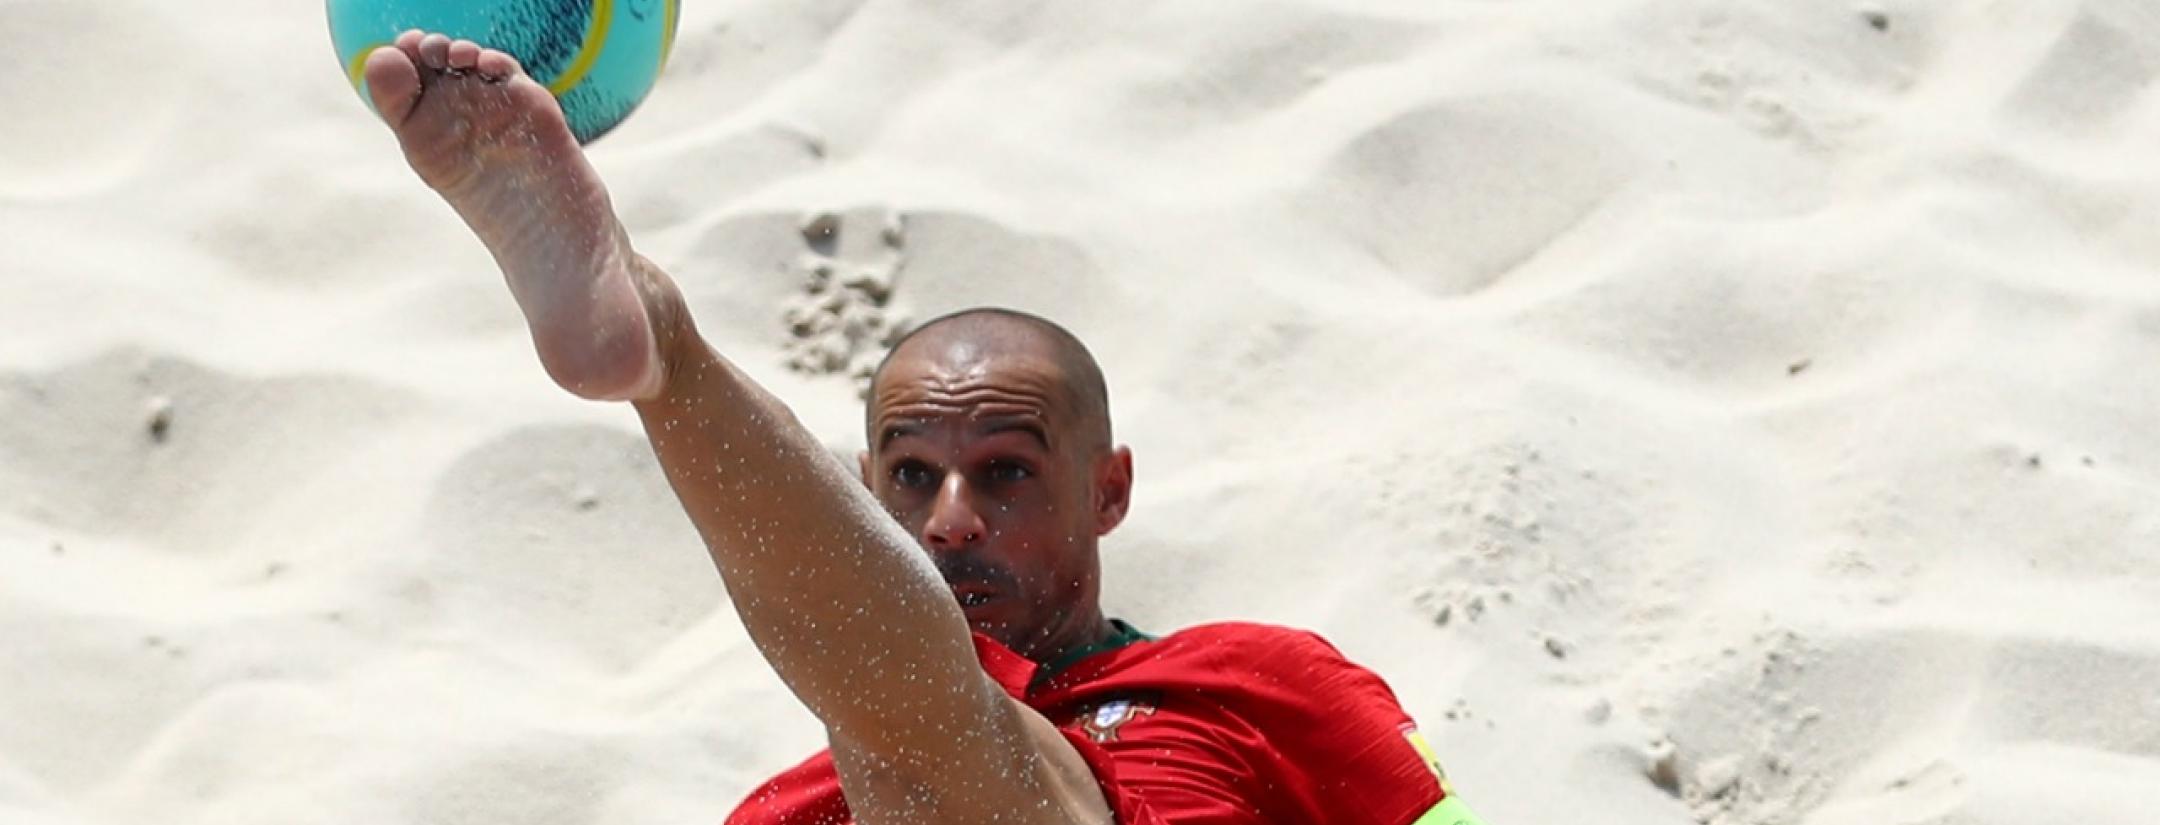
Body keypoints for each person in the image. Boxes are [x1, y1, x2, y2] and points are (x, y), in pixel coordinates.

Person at [359, 31, 1490, 825]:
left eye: (1005, 472)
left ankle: (664, 355)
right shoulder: (790, 807)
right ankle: (655, 356)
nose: (951, 520)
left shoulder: (1254, 683)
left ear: (1108, 489)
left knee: (940, 745)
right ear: (864, 489)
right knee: (905, 749)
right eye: (909, 476)